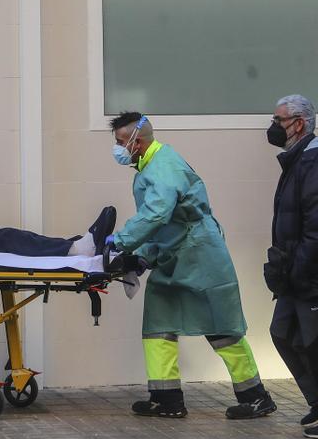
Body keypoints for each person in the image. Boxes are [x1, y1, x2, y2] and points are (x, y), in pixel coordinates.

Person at [106, 112, 275, 419]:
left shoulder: (164, 168)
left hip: (200, 256)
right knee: (158, 327)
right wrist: (143, 255)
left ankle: (256, 396)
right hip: (175, 257)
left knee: (221, 327)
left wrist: (122, 240)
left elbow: (156, 215)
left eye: (120, 142)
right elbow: (163, 224)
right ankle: (167, 399)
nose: (116, 149)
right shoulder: (148, 169)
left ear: (137, 142)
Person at [263, 94, 318, 438]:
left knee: (312, 341)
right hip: (293, 274)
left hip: (308, 275)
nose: (273, 128)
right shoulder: (296, 161)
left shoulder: (312, 163)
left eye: (278, 120)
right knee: (282, 333)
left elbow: (315, 227)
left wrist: (298, 270)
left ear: (298, 124)